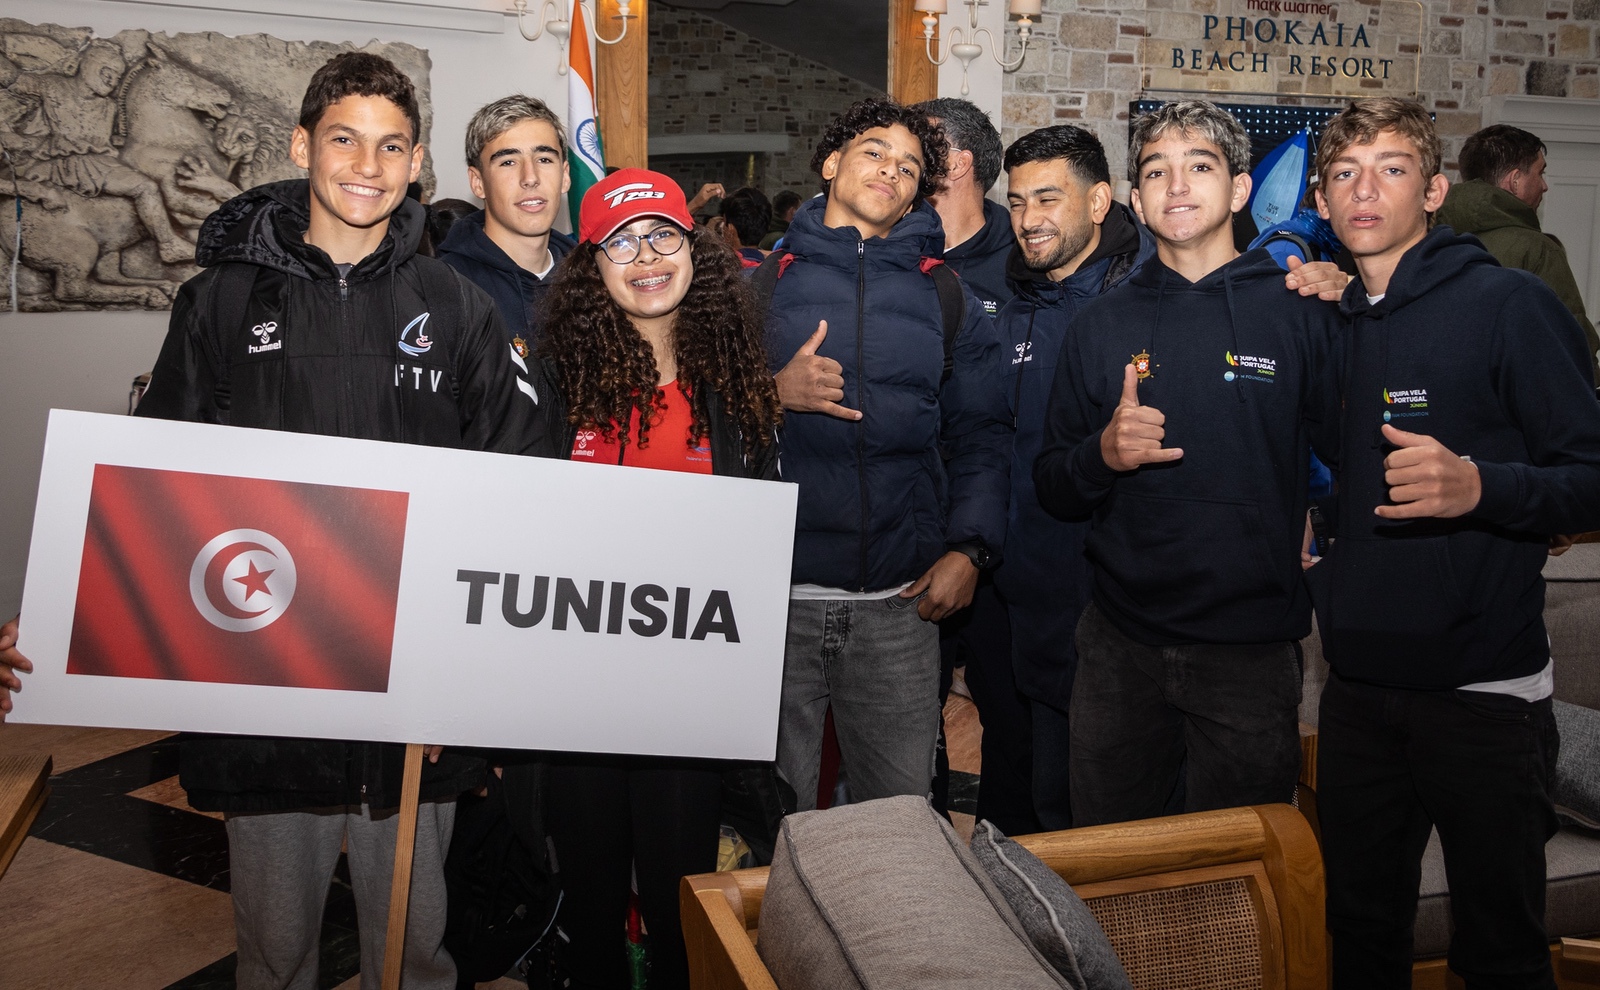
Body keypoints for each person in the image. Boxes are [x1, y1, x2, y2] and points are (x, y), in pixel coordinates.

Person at [131, 53, 533, 990]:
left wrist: (464, 671)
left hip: (415, 694)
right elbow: (156, 484)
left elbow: (512, 488)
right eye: (345, 139)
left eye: (391, 146)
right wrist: (69, 608)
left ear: (416, 163)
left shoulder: (456, 307)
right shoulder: (222, 301)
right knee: (275, 957)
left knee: (416, 954)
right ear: (301, 145)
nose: (367, 165)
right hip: (267, 686)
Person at [1307, 97, 1600, 990]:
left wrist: (1482, 487)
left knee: (1501, 953)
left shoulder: (1510, 303)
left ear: (1433, 191)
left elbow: (1590, 475)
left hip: (1484, 694)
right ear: (1320, 201)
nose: (1366, 190)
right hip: (1357, 690)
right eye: (1346, 173)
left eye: (1392, 169)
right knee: (1359, 939)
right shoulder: (1332, 320)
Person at [1033, 100, 1339, 828]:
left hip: (1250, 650)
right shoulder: (1099, 323)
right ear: (1136, 201)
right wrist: (1102, 455)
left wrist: (1319, 525)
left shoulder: (1303, 308)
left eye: (1199, 166)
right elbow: (1052, 483)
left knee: (1240, 865)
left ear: (1239, 189)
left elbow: (1355, 455)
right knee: (1114, 857)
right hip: (1119, 645)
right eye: (1156, 172)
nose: (1176, 186)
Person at [530, 168, 781, 990]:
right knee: (591, 899)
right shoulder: (554, 385)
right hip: (578, 692)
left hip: (687, 694)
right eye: (622, 243)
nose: (646, 258)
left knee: (683, 903)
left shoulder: (734, 383)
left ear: (694, 251)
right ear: (591, 267)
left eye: (663, 236)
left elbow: (755, 543)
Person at [767, 97, 1011, 812]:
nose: (891, 171)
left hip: (899, 609)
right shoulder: (759, 284)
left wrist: (970, 548)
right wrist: (770, 392)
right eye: (874, 151)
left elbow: (983, 434)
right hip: (775, 606)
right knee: (771, 822)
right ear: (831, 163)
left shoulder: (946, 295)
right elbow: (702, 420)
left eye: (908, 166)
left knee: (899, 822)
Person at [991, 125, 1157, 832]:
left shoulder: (1152, 299)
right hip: (1033, 605)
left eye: (1048, 199)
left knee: (1124, 821)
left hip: (1128, 610)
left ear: (1098, 202)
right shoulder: (1010, 310)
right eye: (1018, 201)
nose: (1029, 218)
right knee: (1047, 805)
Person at [1434, 123, 1599, 384]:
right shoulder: (1537, 249)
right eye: (1540, 173)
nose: (1544, 185)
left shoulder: (1429, 241)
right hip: (1518, 398)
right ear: (1515, 181)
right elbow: (1571, 342)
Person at [437, 95, 576, 361]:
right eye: (508, 162)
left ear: (565, 176)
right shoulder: (447, 289)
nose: (530, 178)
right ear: (478, 182)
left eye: (544, 159)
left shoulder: (592, 280)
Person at [914, 97, 1014, 316]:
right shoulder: (895, 247)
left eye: (923, 149)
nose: (908, 159)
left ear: (958, 164)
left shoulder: (1020, 266)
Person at [714, 185, 772, 266]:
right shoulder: (776, 266)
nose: (723, 228)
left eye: (724, 221)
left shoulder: (723, 269)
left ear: (731, 230)